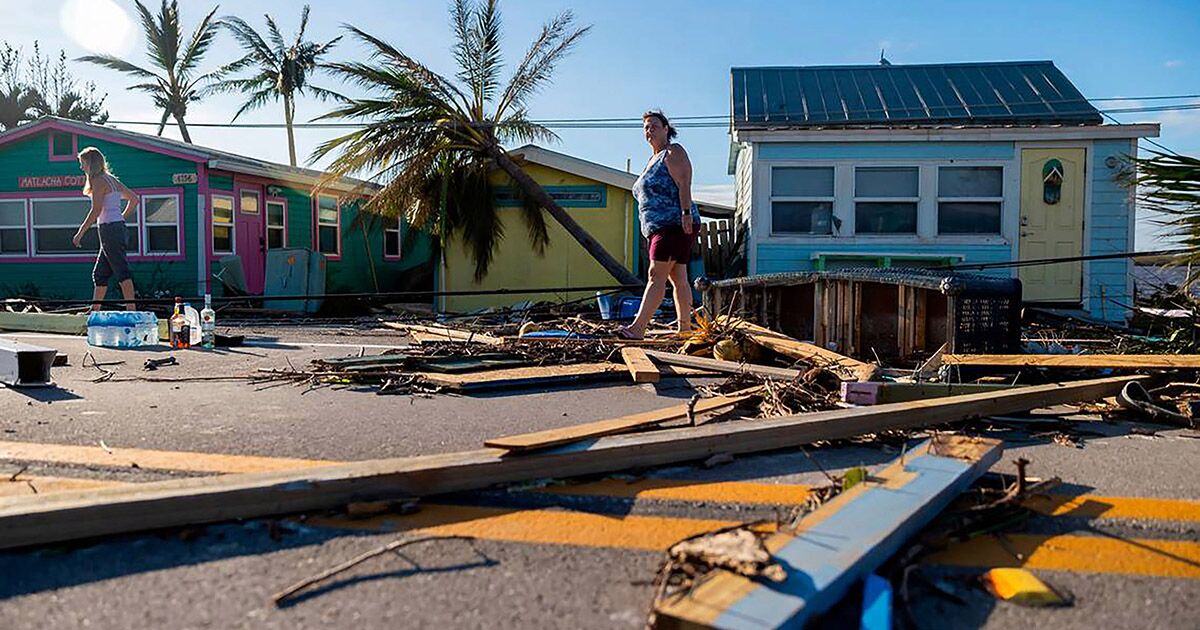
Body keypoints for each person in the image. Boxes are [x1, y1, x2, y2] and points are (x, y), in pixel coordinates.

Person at [619, 110, 701, 339]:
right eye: (646, 127)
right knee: (678, 277)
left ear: (666, 129)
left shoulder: (672, 151)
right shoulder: (651, 160)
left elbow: (684, 181)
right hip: (659, 227)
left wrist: (685, 213)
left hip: (674, 223)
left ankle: (638, 328)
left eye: (654, 125)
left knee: (656, 274)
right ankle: (685, 329)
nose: (649, 130)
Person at [73, 147, 138, 311]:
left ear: (91, 163)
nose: (82, 168)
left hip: (110, 230)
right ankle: (94, 310)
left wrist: (80, 233)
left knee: (121, 270)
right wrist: (121, 217)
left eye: (83, 163)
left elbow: (96, 210)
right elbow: (134, 199)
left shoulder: (98, 181)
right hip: (116, 228)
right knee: (100, 274)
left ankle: (132, 310)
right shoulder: (111, 179)